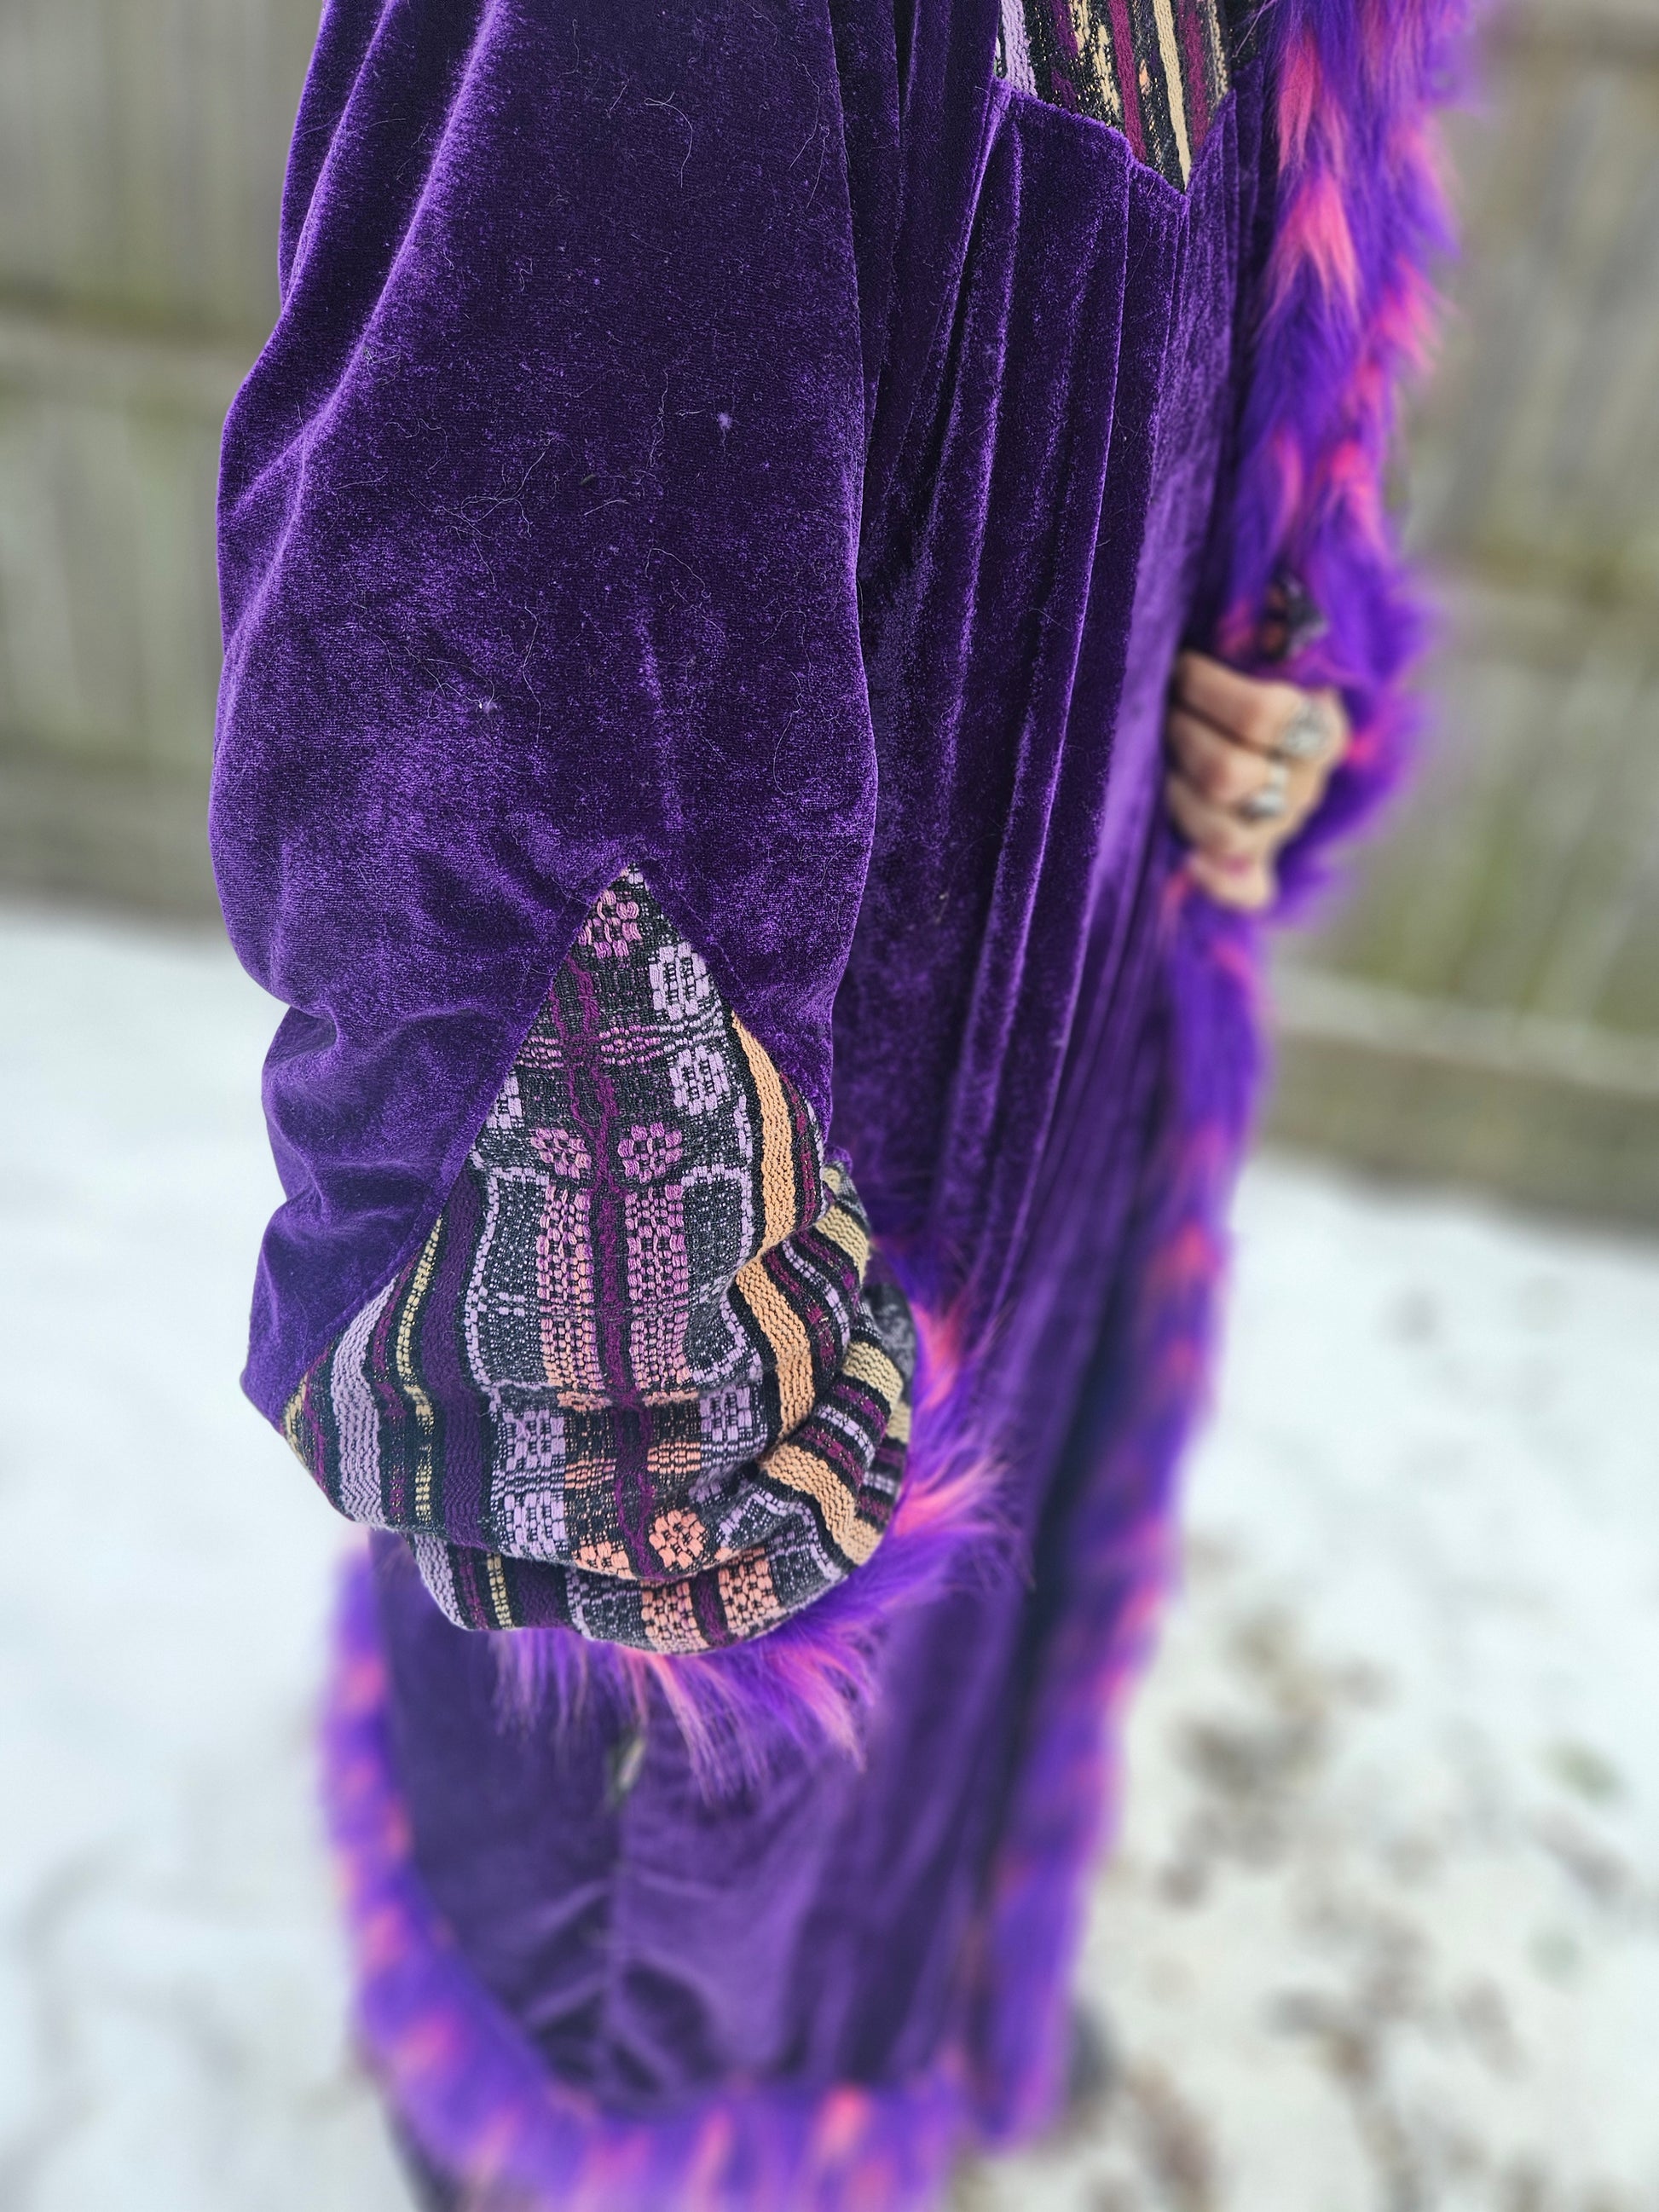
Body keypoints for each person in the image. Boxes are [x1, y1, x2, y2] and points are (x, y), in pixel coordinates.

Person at [211, 0, 1466, 2203]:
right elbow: (470, 691)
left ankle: (888, 1999)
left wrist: (1279, 687)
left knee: (883, 1823)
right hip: (750, 1273)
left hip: (1051, 1128)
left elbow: (1234, 387)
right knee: (634, 1937)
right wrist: (666, 1465)